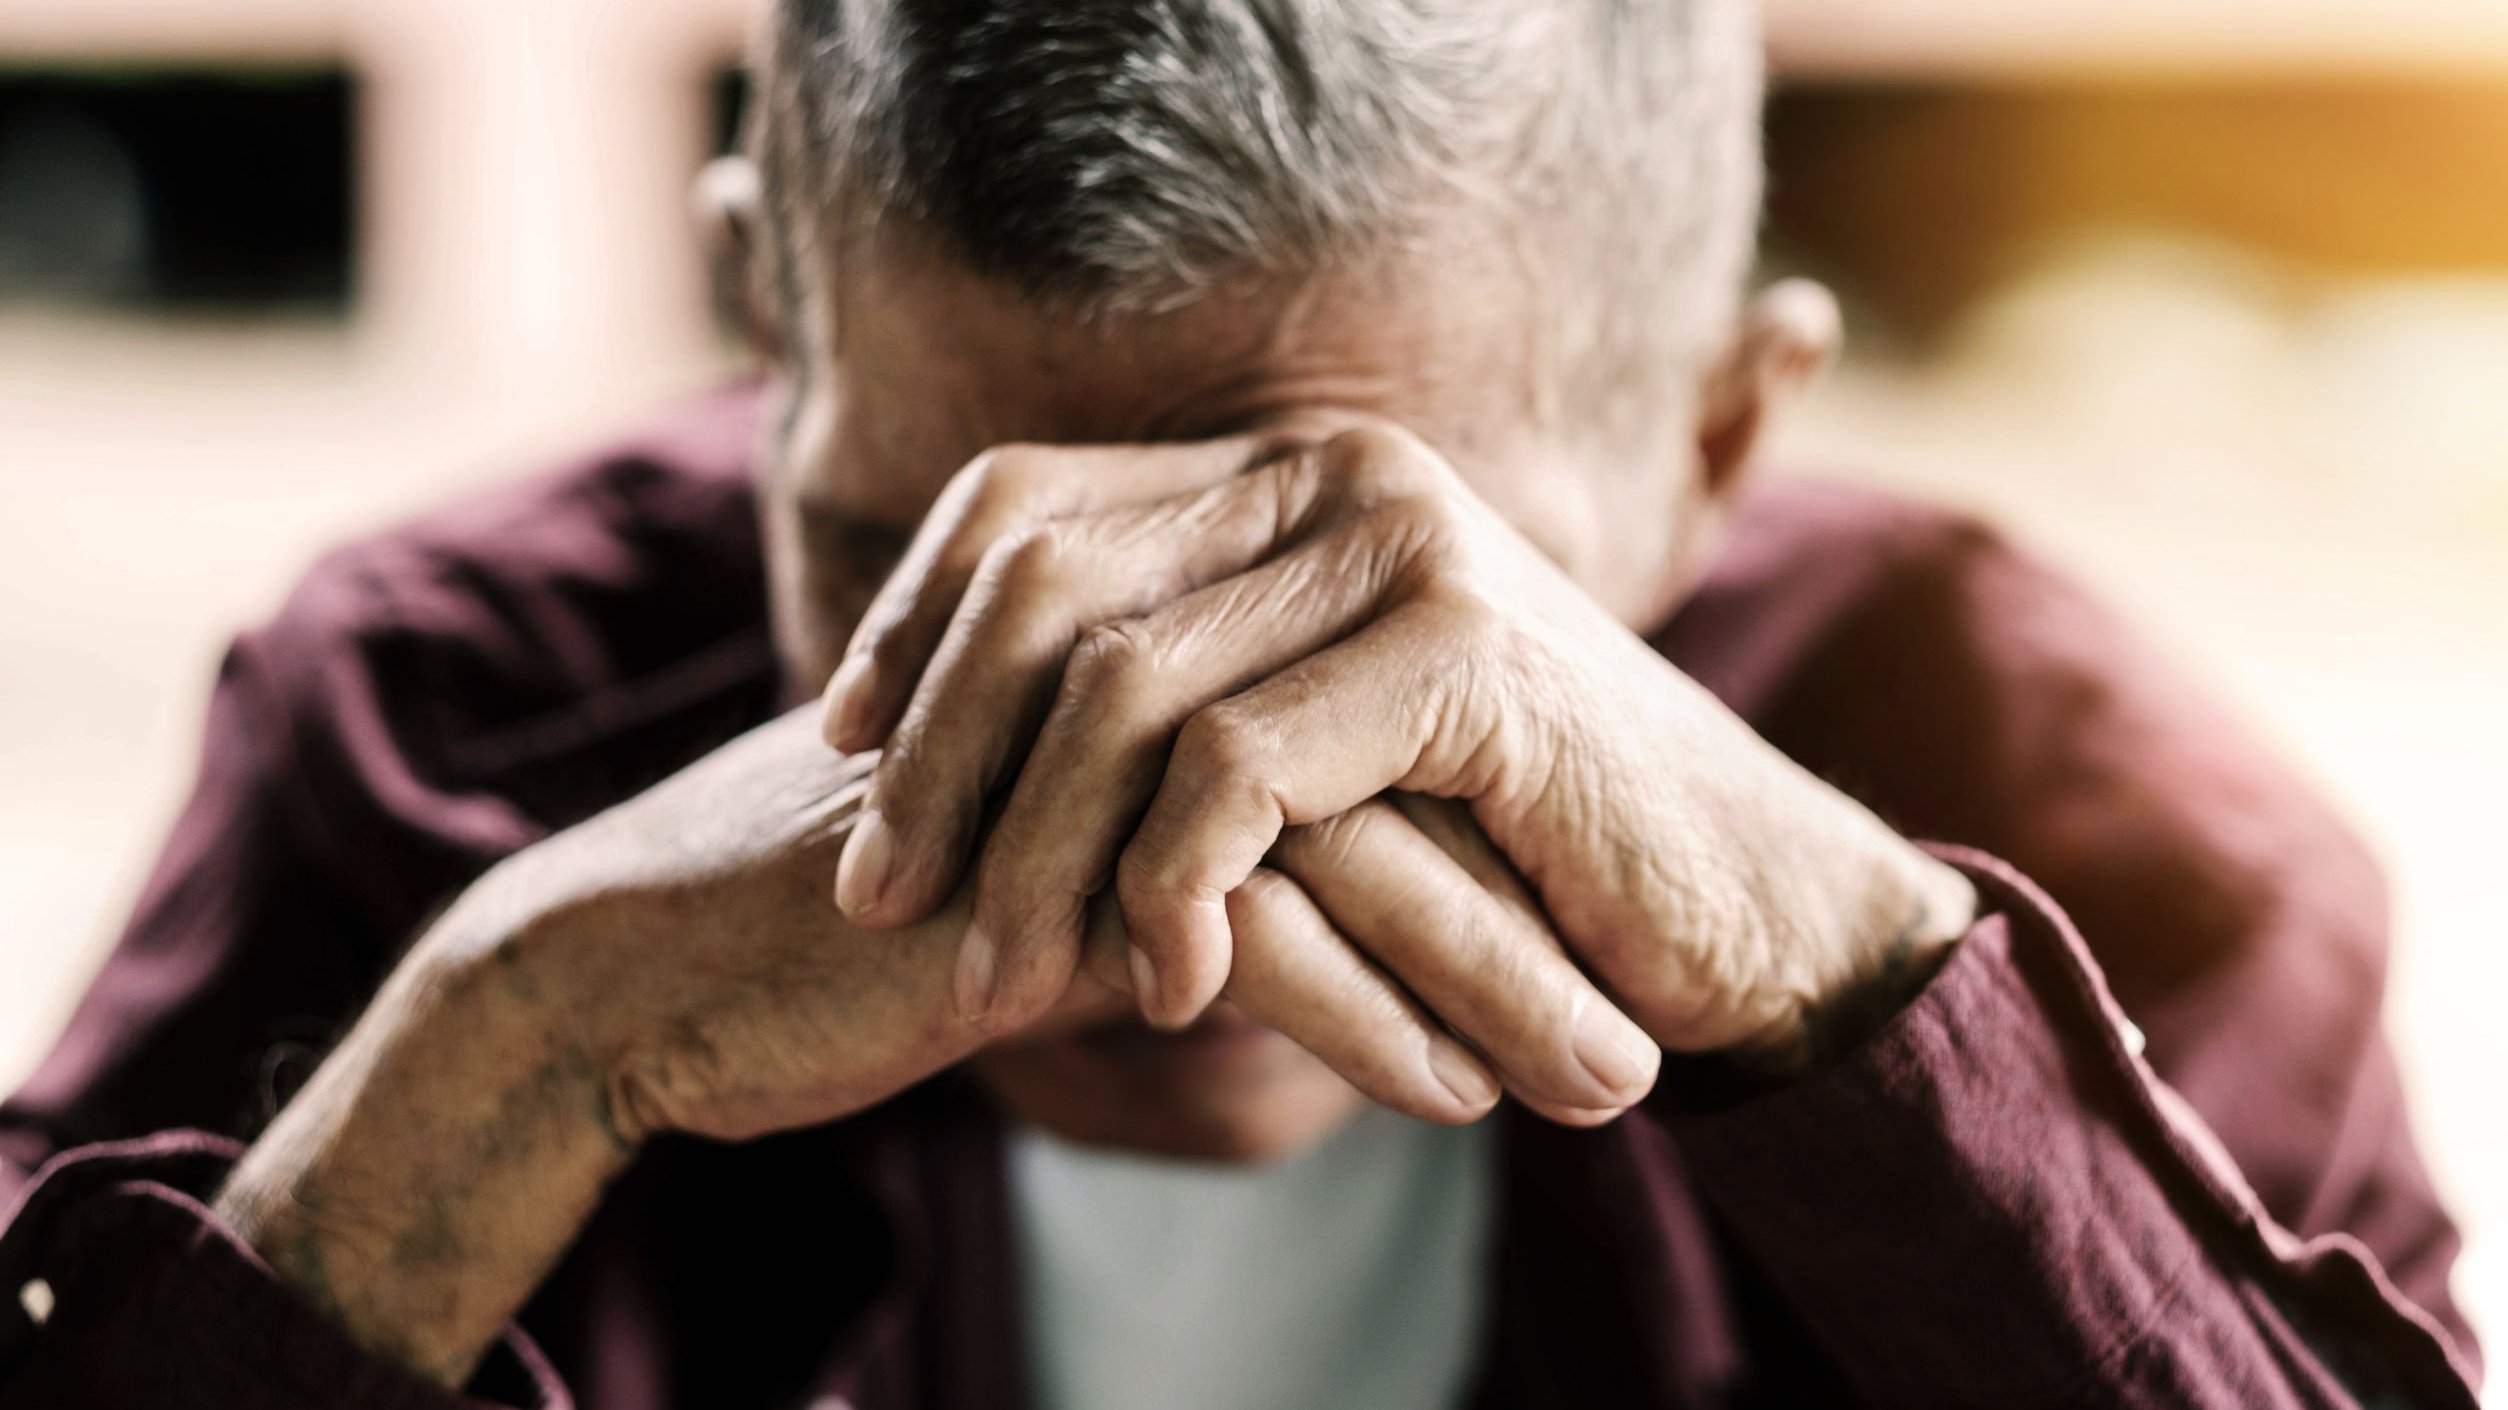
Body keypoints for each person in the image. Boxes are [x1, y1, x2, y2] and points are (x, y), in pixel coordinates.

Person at [0, 2, 2485, 1406]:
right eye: (915, 590)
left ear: (1720, 433)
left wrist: (1870, 1013)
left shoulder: (2098, 829)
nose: (1151, 877)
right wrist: (505, 1061)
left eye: (1352, 640)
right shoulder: (435, 733)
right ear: (766, 327)